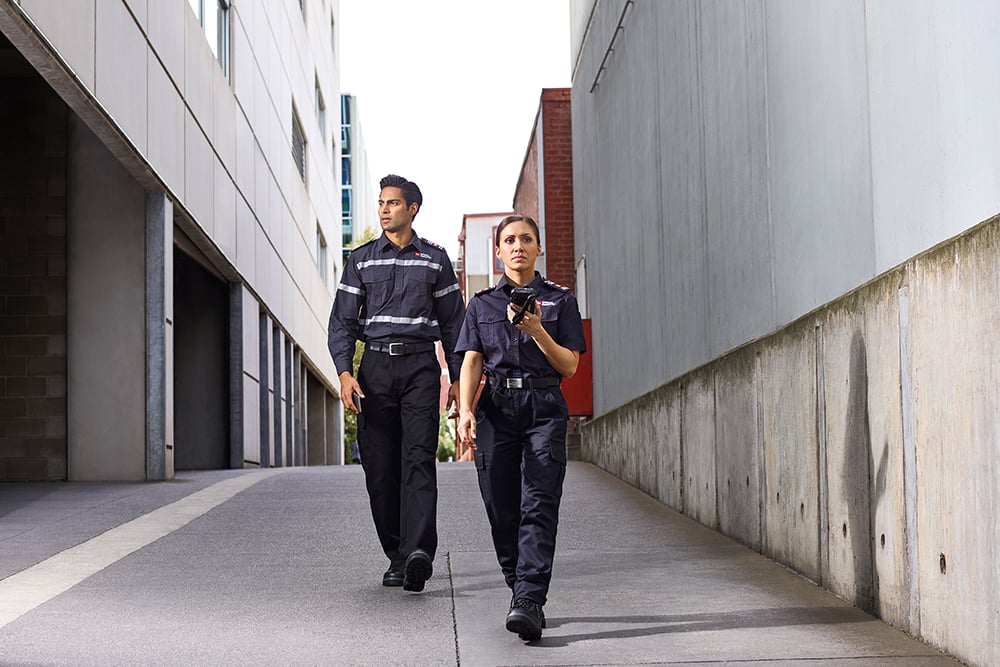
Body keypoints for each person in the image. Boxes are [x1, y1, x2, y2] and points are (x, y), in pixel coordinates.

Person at [328, 174, 465, 592]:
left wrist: (457, 379)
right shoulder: (362, 259)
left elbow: (455, 325)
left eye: (392, 203)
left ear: (412, 209)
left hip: (422, 368)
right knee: (380, 470)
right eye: (381, 203)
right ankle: (398, 554)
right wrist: (345, 372)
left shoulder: (435, 260)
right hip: (374, 372)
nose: (384, 209)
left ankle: (419, 551)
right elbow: (342, 323)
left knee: (419, 458)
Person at [455, 215, 586, 640]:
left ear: (538, 248)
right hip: (496, 408)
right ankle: (520, 589)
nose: (518, 246)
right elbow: (471, 359)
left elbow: (569, 365)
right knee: (502, 507)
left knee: (539, 504)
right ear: (498, 251)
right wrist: (466, 408)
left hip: (544, 405)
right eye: (509, 240)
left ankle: (529, 598)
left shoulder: (560, 301)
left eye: (526, 239)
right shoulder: (482, 304)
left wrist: (537, 331)